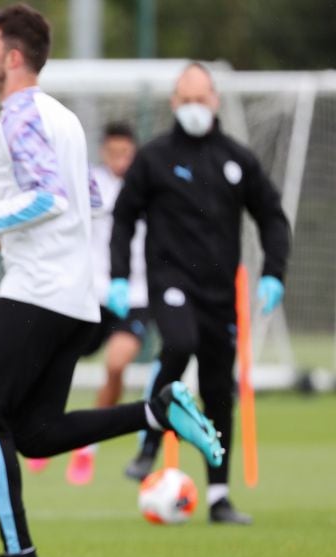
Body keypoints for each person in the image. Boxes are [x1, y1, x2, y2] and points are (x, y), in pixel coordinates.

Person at [0, 4, 223, 557]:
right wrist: (0, 239)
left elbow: (52, 199)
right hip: (76, 298)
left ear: (14, 57)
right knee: (35, 434)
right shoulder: (64, 118)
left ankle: (19, 555)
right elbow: (89, 204)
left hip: (37, 295)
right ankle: (159, 409)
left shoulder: (19, 115)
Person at [109, 62, 291, 525]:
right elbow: (124, 218)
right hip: (169, 281)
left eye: (200, 97)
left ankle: (218, 497)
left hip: (219, 292)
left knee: (217, 389)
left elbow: (271, 216)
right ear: (174, 103)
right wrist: (116, 275)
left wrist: (273, 272)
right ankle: (151, 437)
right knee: (180, 343)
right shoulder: (153, 157)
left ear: (215, 100)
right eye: (184, 99)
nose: (193, 107)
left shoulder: (236, 159)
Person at [63, 121, 150, 486]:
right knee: (59, 357)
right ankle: (45, 425)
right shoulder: (90, 184)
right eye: (113, 153)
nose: (120, 160)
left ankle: (88, 447)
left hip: (137, 295)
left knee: (117, 365)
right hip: (93, 293)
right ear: (104, 152)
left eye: (126, 153)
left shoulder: (148, 185)